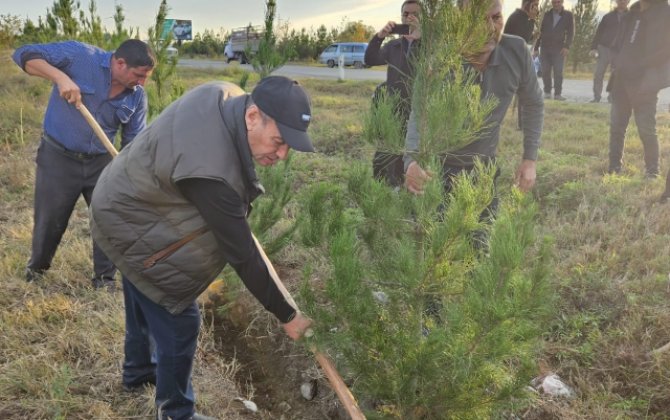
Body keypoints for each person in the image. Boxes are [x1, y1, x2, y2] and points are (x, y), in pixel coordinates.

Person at [89, 76, 315, 420]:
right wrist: (287, 314)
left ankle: (137, 374)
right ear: (253, 116)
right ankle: (176, 411)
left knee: (142, 289)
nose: (281, 154)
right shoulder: (212, 171)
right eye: (279, 141)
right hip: (130, 220)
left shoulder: (223, 94)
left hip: (122, 200)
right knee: (179, 319)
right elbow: (241, 251)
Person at [11, 39, 155, 289]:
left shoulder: (136, 97)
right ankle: (37, 270)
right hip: (58, 156)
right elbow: (23, 54)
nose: (142, 82)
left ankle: (104, 280)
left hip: (101, 163)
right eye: (139, 75)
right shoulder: (80, 56)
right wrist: (60, 78)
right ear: (120, 63)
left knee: (108, 219)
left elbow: (134, 142)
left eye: (146, 77)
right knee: (51, 218)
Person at [404, 0, 544, 201]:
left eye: (496, 17)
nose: (489, 28)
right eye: (477, 19)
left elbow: (533, 103)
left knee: (483, 229)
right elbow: (419, 112)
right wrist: (412, 161)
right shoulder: (439, 58)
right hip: (435, 170)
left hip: (484, 169)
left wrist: (530, 159)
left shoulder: (516, 51)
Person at [607, 0, 670, 179]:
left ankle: (652, 171)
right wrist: (616, 62)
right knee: (617, 126)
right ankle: (613, 168)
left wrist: (644, 65)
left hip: (644, 81)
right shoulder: (631, 13)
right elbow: (616, 44)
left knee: (646, 128)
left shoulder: (665, 13)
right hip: (621, 79)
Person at [364, 0, 421, 188]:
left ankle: (406, 190)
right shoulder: (395, 46)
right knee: (389, 153)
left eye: (415, 14)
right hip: (394, 110)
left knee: (410, 155)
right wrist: (380, 36)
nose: (409, 17)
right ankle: (386, 189)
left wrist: (422, 36)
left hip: (418, 112)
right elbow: (370, 59)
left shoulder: (430, 45)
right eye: (406, 14)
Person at [504, 0, 540, 130]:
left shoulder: (525, 19)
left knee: (523, 93)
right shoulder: (518, 18)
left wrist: (533, 35)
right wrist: (531, 23)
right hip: (511, 59)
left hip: (518, 59)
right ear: (528, 5)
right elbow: (520, 39)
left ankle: (522, 124)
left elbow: (523, 39)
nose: (536, 8)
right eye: (534, 5)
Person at [589, 0, 630, 103]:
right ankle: (596, 97)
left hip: (619, 51)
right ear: (616, 1)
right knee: (598, 74)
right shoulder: (608, 16)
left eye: (625, 0)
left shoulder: (631, 17)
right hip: (603, 48)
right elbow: (598, 32)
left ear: (628, 2)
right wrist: (593, 48)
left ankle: (612, 98)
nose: (622, 2)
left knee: (615, 75)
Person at [533, 0, 574, 101]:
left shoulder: (568, 15)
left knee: (558, 72)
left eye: (558, 2)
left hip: (559, 49)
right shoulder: (546, 15)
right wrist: (536, 48)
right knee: (545, 71)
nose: (556, 4)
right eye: (554, 2)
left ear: (562, 2)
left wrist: (566, 46)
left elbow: (571, 33)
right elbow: (539, 32)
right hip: (545, 48)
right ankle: (547, 92)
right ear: (552, 3)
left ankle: (557, 94)